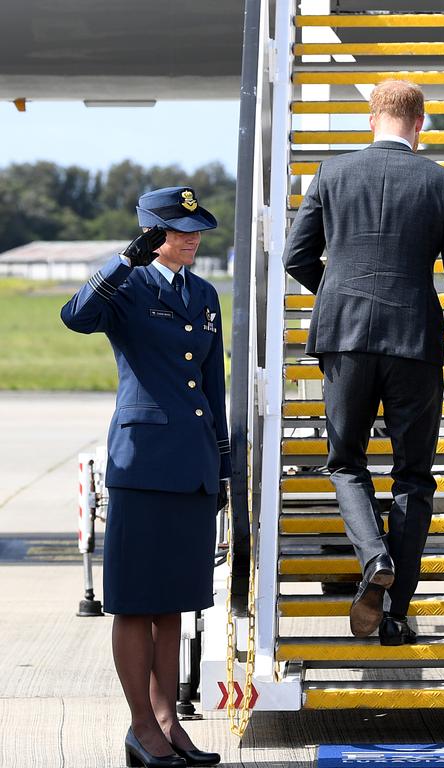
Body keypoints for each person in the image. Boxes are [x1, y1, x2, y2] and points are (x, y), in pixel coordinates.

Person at [284, 80, 444, 646]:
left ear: (370, 118)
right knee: (413, 477)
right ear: (419, 122)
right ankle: (396, 613)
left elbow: (295, 255)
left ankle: (374, 559)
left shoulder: (331, 174)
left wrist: (338, 294)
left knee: (346, 460)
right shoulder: (441, 182)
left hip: (345, 339)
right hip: (414, 340)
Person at [61, 186, 227, 768]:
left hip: (192, 465)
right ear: (154, 235)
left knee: (173, 603)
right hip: (142, 462)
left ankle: (167, 722)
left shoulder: (204, 295)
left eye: (196, 230)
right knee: (134, 603)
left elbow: (213, 385)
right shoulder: (127, 287)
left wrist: (224, 466)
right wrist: (123, 260)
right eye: (181, 230)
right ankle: (140, 727)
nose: (193, 239)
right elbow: (76, 315)